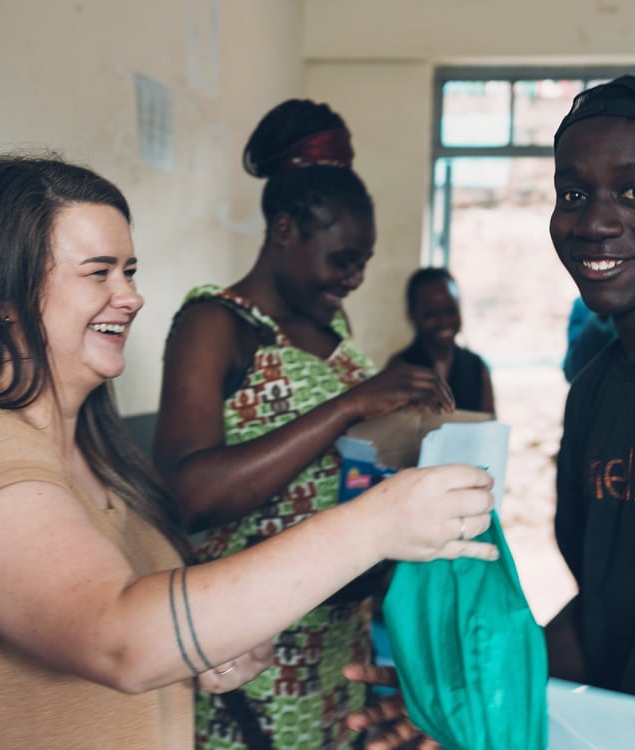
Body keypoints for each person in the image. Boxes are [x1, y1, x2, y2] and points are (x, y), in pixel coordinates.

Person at [0, 153, 499, 750]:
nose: (131, 296)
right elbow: (119, 637)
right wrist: (378, 523)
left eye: (129, 271)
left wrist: (197, 649)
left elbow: (120, 632)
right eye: (98, 273)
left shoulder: (101, 458)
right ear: (9, 295)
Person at [342, 75, 635, 750]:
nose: (593, 222)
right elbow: (604, 618)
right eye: (572, 194)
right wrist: (464, 700)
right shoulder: (595, 393)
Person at [152, 100, 467, 750]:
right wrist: (349, 405)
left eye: (364, 262)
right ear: (285, 229)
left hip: (337, 641)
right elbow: (188, 494)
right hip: (250, 651)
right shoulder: (216, 324)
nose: (353, 279)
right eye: (342, 259)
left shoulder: (334, 330)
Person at [388, 267, 495, 414]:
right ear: (413, 315)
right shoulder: (400, 369)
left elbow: (488, 423)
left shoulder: (477, 367)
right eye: (431, 314)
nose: (444, 321)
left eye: (451, 310)